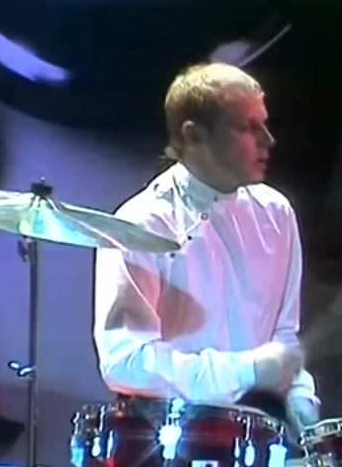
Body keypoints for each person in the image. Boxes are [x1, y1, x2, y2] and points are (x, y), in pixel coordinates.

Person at [92, 62, 320, 432]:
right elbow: (125, 361)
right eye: (247, 127)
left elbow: (282, 337)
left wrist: (299, 395)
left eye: (264, 124)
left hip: (259, 434)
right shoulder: (141, 222)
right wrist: (246, 370)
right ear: (193, 135)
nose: (268, 140)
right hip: (168, 438)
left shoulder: (276, 213)